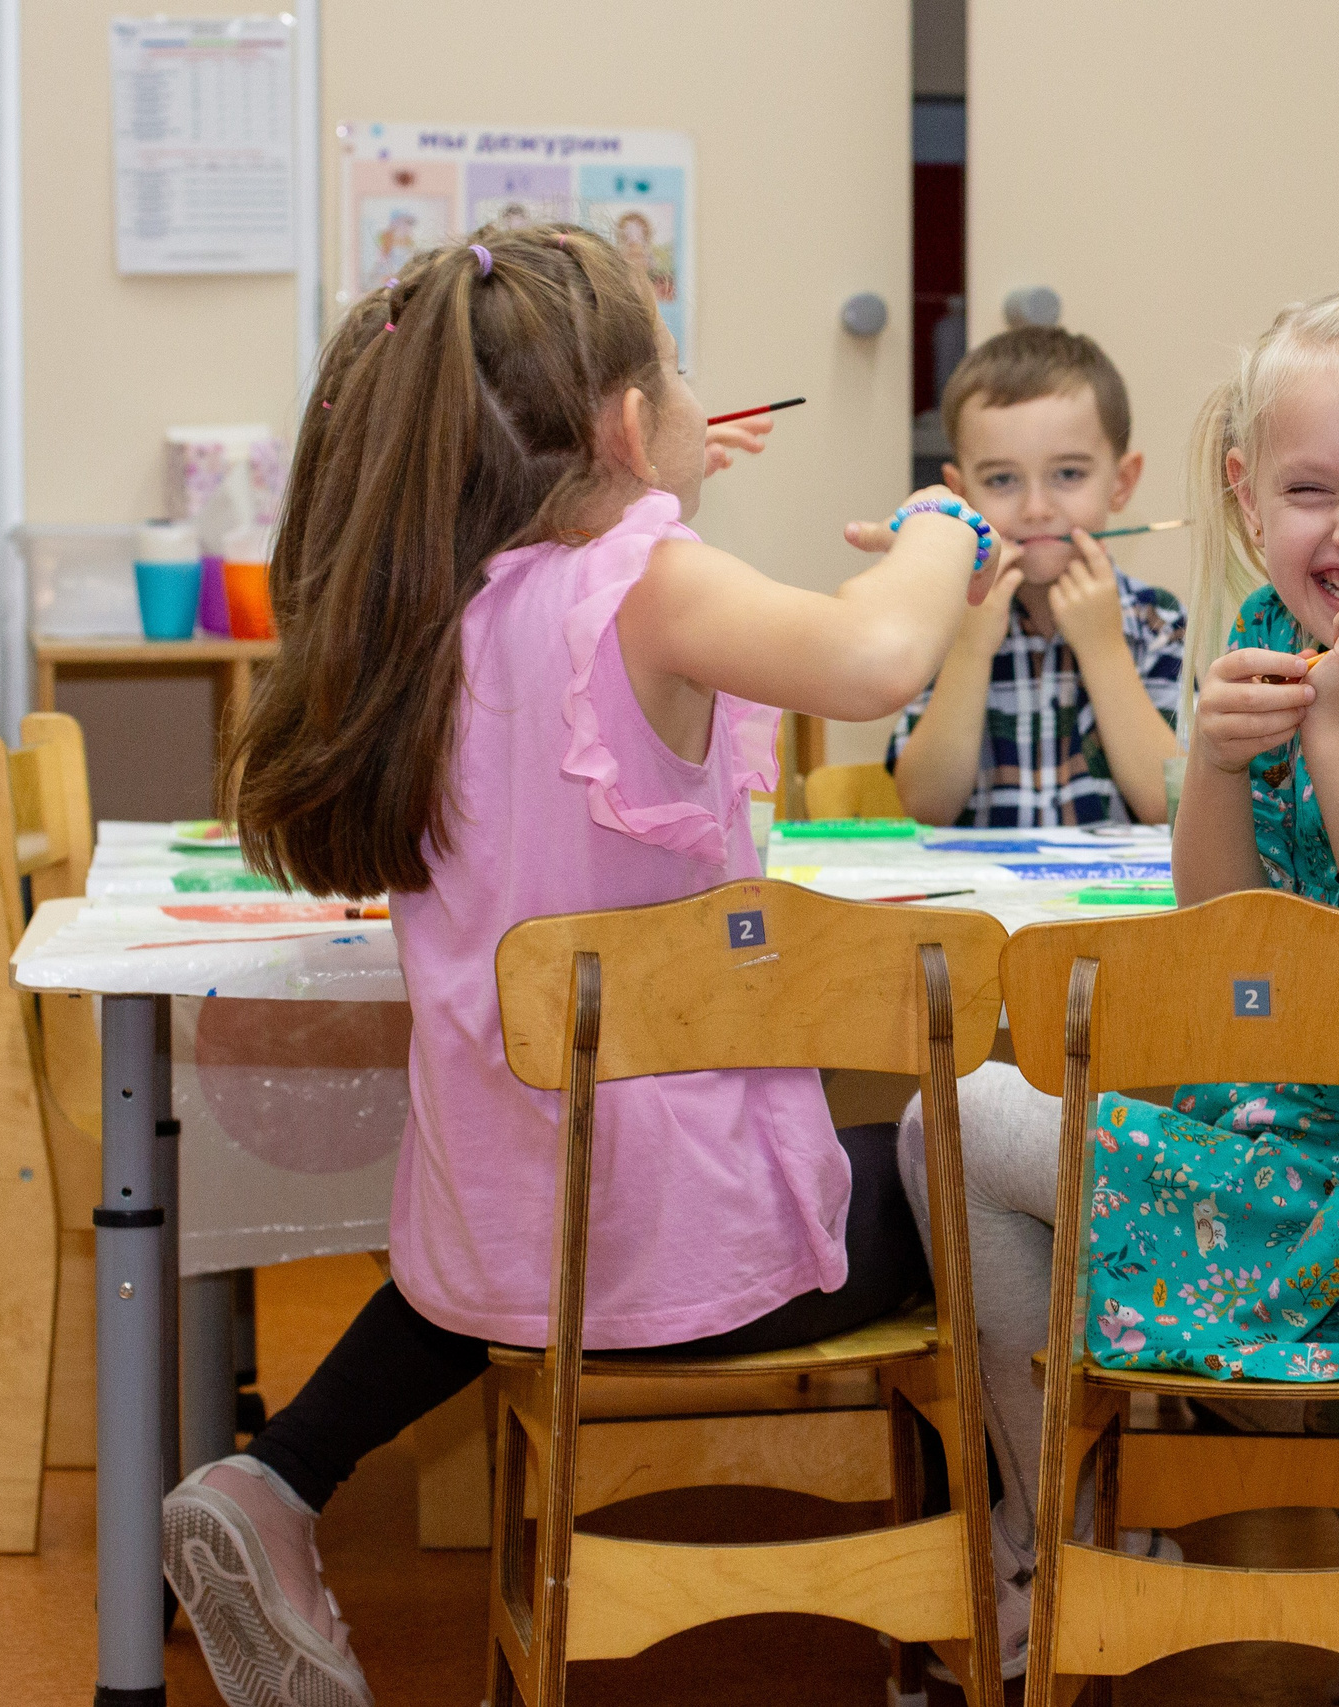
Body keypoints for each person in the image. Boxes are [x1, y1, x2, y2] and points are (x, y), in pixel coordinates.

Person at [158, 223, 1001, 1707]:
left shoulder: (438, 613)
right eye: (672, 371)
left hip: (501, 1244)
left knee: (524, 1221)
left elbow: (598, 607)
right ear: (623, 427)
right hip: (688, 1251)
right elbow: (874, 661)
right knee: (970, 1172)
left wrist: (658, 483)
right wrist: (953, 526)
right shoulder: (646, 584)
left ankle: (280, 1473)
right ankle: (972, 1586)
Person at [898, 279, 1339, 1701]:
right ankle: (1070, 1514)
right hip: (1304, 1153)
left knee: (959, 1123)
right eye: (1311, 488)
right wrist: (1215, 765)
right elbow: (1225, 933)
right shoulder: (1285, 647)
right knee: (954, 1121)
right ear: (1244, 496)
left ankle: (1121, 1534)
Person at [887, 326, 1184, 826]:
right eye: (1002, 480)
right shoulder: (944, 620)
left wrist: (1104, 649)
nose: (1036, 509)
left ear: (1122, 482)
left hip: (1116, 906)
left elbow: (1169, 804)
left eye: (1068, 474)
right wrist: (969, 649)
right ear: (961, 493)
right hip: (983, 904)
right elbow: (926, 805)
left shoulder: (1158, 621)